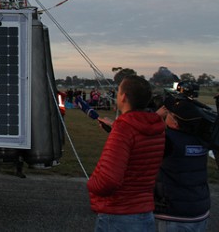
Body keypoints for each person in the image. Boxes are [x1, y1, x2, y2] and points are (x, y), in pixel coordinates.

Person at [87, 75, 165, 231]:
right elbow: (138, 147)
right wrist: (115, 128)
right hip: (145, 213)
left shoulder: (124, 128)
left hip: (118, 214)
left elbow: (108, 180)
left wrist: (91, 184)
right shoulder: (156, 126)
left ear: (123, 97)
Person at [154, 95, 210, 231]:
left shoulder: (168, 140)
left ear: (175, 122)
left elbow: (138, 137)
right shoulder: (202, 139)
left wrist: (155, 117)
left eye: (169, 114)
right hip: (200, 210)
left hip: (175, 213)